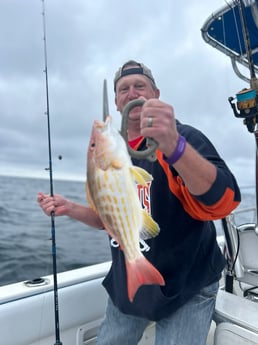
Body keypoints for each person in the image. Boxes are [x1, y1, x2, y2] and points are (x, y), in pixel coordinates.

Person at [38, 60, 241, 345]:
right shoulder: (116, 155)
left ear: (155, 94)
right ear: (118, 104)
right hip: (129, 281)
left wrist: (173, 145)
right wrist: (69, 208)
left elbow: (224, 203)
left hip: (188, 283)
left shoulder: (186, 138)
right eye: (123, 89)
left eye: (139, 86)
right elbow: (106, 217)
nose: (131, 92)